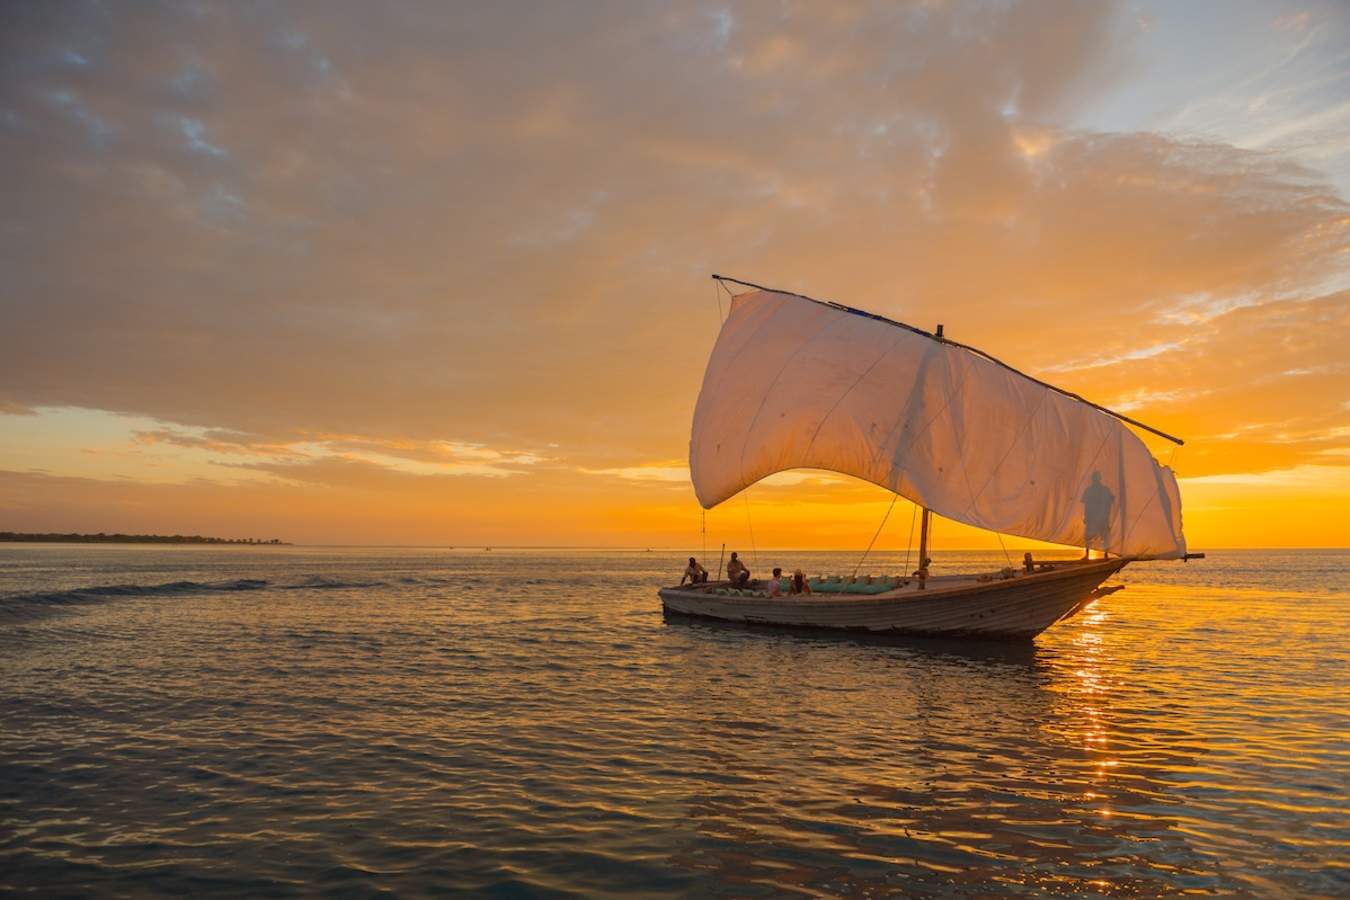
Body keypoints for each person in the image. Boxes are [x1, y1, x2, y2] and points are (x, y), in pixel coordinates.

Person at [1081, 471, 1115, 559]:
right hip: (1093, 517)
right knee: (1089, 537)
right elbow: (1086, 503)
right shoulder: (1090, 490)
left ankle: (1105, 554)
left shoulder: (1104, 490)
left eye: (1096, 478)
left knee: (1104, 536)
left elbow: (1111, 500)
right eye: (1094, 478)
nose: (1095, 480)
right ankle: (1088, 555)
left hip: (1101, 517)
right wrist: (1085, 516)